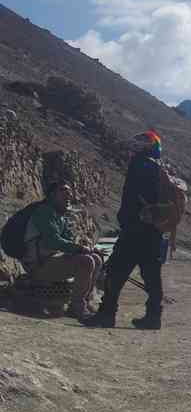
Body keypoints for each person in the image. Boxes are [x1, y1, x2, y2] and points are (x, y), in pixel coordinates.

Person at [84, 130, 165, 330]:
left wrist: (128, 219)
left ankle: (106, 314)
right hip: (154, 232)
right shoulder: (159, 167)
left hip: (134, 230)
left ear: (145, 146)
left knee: (115, 271)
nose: (134, 146)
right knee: (152, 276)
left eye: (139, 143)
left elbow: (133, 198)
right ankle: (154, 317)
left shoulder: (139, 164)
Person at [21, 181, 102, 319]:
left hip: (52, 261)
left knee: (96, 259)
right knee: (86, 261)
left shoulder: (61, 217)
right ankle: (77, 307)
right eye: (63, 191)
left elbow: (68, 242)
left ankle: (85, 302)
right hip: (39, 264)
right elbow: (52, 241)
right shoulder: (44, 212)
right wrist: (79, 249)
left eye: (69, 192)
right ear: (52, 195)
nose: (69, 195)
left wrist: (86, 249)